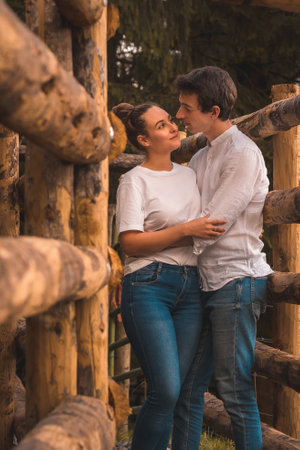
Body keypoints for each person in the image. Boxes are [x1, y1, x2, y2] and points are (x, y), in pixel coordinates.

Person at [171, 66, 273, 450]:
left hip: (237, 282)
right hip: (203, 282)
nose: (180, 116)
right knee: (187, 384)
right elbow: (185, 217)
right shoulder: (200, 158)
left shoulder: (243, 155)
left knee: (234, 388)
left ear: (213, 112)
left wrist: (168, 247)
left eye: (187, 109)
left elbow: (213, 223)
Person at [113, 102, 226, 450]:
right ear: (144, 140)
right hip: (148, 286)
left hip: (191, 287)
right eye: (162, 125)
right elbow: (130, 242)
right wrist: (186, 229)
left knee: (180, 392)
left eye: (170, 121)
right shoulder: (134, 181)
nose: (173, 127)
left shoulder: (190, 174)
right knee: (164, 390)